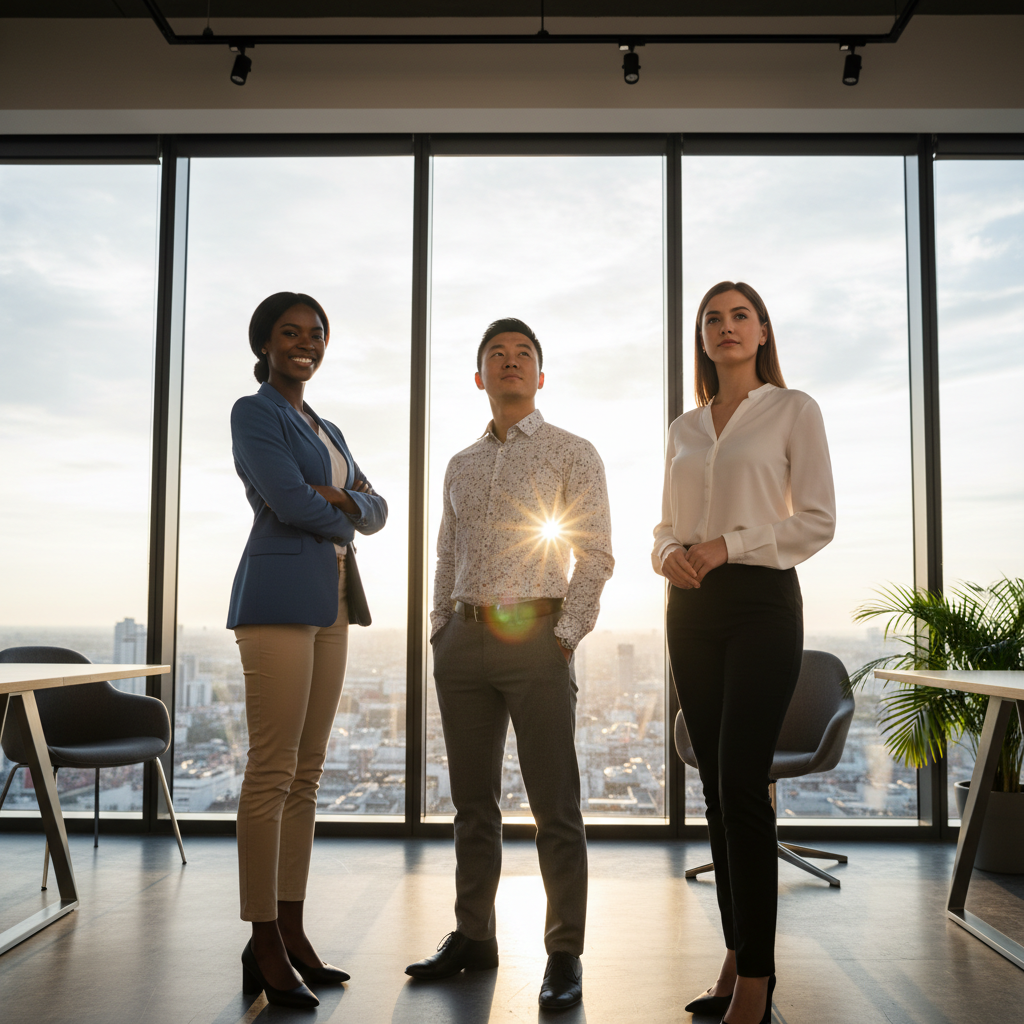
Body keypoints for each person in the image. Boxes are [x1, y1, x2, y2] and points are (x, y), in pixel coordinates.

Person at [406, 318, 614, 1010]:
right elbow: (444, 553)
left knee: (555, 806)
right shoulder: (460, 465)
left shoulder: (572, 452)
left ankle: (563, 953)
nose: (510, 363)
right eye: (496, 355)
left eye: (523, 355)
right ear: (480, 378)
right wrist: (439, 629)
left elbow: (596, 552)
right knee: (473, 806)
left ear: (540, 376)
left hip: (539, 639)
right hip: (463, 641)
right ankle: (474, 936)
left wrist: (568, 633)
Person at [653, 282, 835, 1024]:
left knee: (741, 782)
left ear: (761, 332)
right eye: (712, 319)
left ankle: (755, 986)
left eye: (739, 316)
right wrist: (666, 552)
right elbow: (667, 522)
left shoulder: (794, 410)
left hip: (761, 603)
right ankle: (736, 953)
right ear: (701, 337)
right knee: (715, 791)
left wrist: (733, 545)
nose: (726, 328)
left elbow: (817, 522)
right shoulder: (685, 427)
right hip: (690, 607)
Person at [227, 291, 387, 1009]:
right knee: (272, 769)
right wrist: (341, 503)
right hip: (277, 599)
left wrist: (344, 496)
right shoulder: (254, 412)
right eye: (290, 333)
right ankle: (262, 938)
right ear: (265, 344)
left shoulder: (328, 425)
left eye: (315, 334)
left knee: (309, 772)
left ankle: (291, 928)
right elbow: (288, 502)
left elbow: (379, 509)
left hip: (333, 602)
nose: (305, 343)